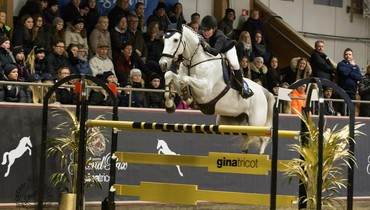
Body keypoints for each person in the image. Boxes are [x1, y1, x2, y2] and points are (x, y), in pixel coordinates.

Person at [199, 15, 253, 99]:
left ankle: (242, 88)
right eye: (203, 30)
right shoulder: (200, 33)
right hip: (214, 51)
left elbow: (215, 52)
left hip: (227, 50)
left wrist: (204, 44)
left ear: (214, 28)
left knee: (234, 63)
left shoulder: (219, 36)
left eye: (207, 30)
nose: (205, 32)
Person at [336, 48, 362, 115]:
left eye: (350, 54)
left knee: (351, 111)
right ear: (344, 55)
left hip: (352, 92)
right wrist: (352, 66)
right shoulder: (341, 64)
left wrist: (351, 72)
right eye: (346, 54)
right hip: (343, 90)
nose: (348, 56)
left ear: (352, 56)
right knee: (343, 111)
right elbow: (344, 73)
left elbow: (359, 77)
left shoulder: (356, 66)